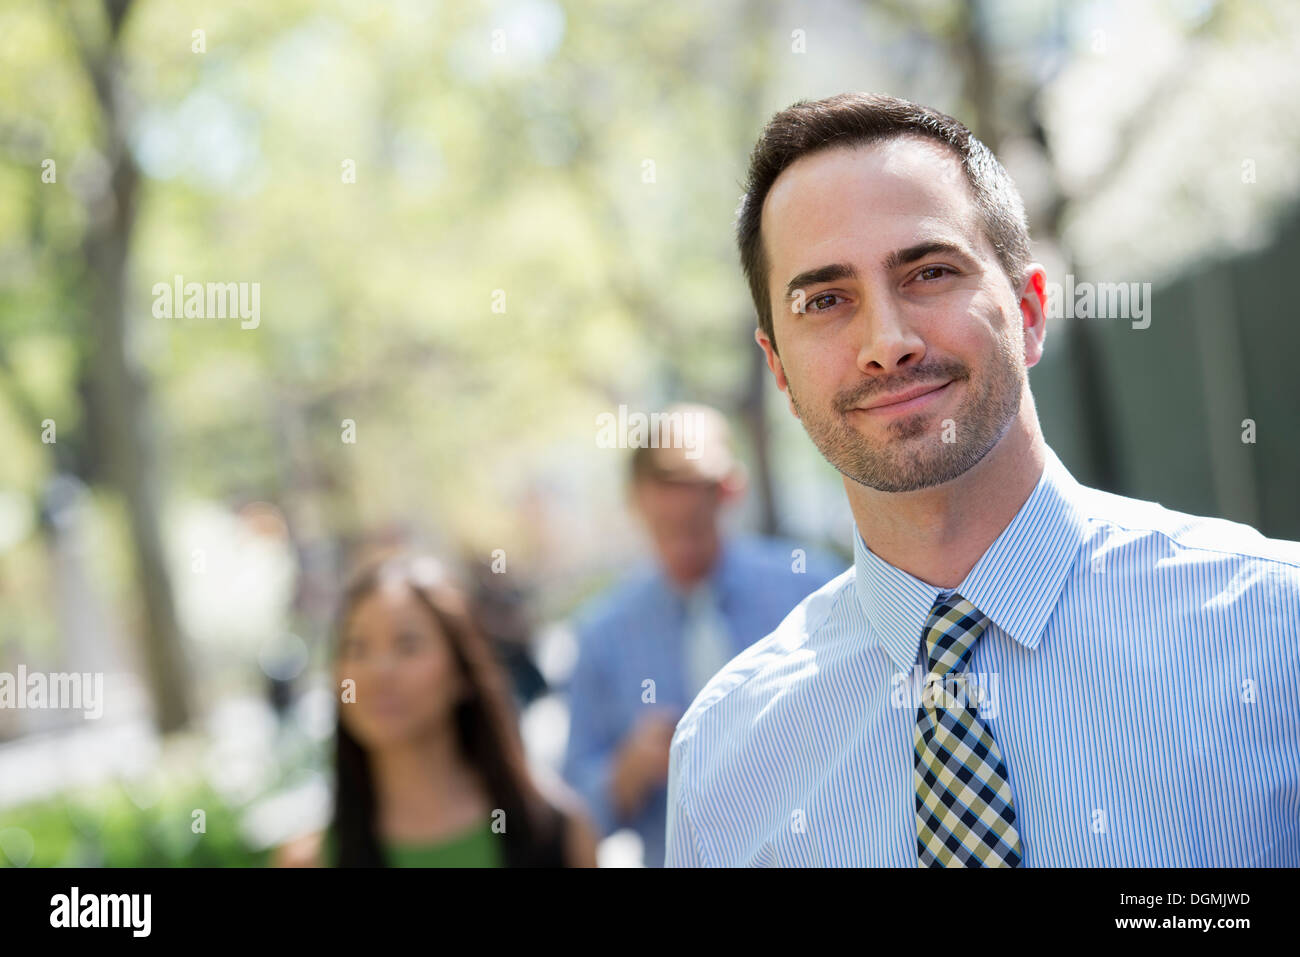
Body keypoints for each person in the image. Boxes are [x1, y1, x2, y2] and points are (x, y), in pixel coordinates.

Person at [665, 92, 1300, 867]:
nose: (886, 343)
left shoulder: (1275, 632)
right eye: (826, 300)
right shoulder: (723, 757)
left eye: (929, 271)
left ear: (1030, 310)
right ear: (780, 373)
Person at [563, 403, 844, 867]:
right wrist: (627, 771)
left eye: (695, 527)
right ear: (635, 504)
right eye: (663, 529)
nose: (682, 548)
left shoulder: (813, 589)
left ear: (729, 493)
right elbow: (574, 813)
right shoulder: (602, 635)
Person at [274, 550, 598, 867]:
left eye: (407, 645)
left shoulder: (555, 832)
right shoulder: (310, 859)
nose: (379, 672)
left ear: (462, 672)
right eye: (357, 649)